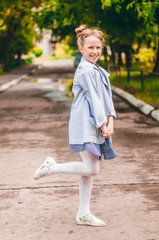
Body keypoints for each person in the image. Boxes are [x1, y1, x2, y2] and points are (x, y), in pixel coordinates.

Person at [34, 25, 118, 227]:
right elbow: (94, 100)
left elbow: (106, 98)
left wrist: (111, 119)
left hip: (95, 124)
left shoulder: (96, 69)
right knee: (92, 169)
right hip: (86, 124)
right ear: (81, 49)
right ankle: (51, 168)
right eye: (90, 47)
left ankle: (83, 213)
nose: (95, 51)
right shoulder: (86, 70)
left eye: (98, 47)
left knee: (88, 170)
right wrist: (102, 123)